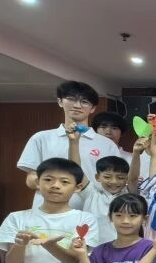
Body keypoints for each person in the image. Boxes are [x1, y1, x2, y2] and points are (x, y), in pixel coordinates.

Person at [17, 81, 119, 209]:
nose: (77, 105)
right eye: (71, 99)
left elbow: (115, 181)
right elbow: (31, 179)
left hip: (90, 211)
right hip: (49, 213)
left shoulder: (106, 144)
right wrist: (56, 184)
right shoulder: (41, 138)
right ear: (60, 102)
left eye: (84, 102)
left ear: (93, 108)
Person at [79, 156, 131, 245]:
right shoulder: (91, 192)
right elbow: (76, 169)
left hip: (122, 248)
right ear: (97, 177)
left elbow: (134, 179)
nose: (114, 181)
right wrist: (73, 146)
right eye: (107, 177)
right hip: (92, 249)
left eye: (120, 178)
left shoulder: (130, 196)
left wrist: (136, 153)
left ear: (127, 179)